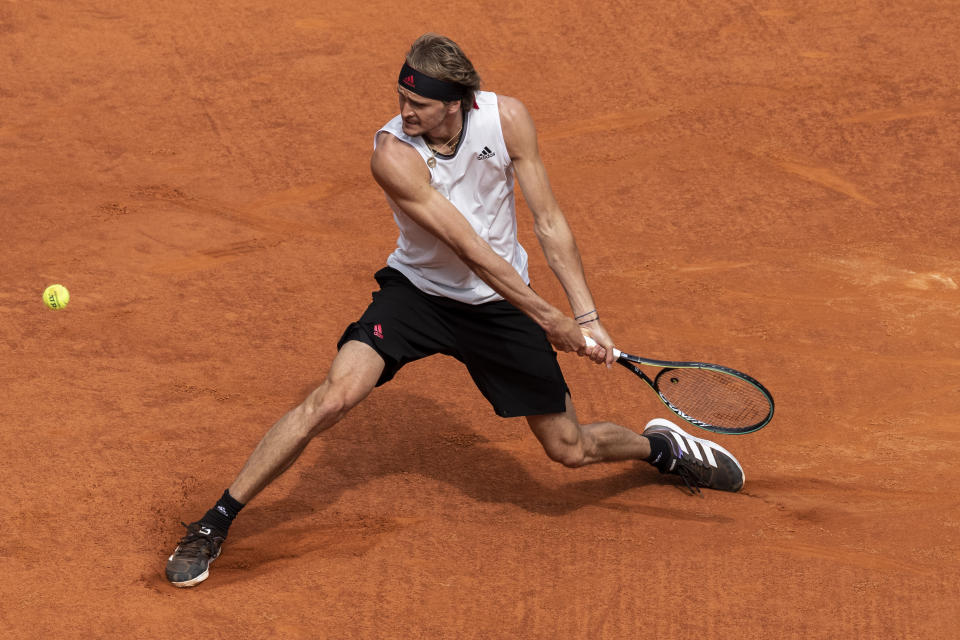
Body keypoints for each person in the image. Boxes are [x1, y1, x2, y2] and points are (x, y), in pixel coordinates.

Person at [165, 33, 745, 588]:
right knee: (333, 397)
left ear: (458, 103)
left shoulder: (507, 119)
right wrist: (551, 319)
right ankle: (214, 521)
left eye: (419, 103)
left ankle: (661, 448)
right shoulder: (392, 154)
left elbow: (548, 221)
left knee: (570, 449)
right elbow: (468, 249)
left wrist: (586, 316)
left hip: (499, 307)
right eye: (401, 97)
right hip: (419, 294)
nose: (404, 111)